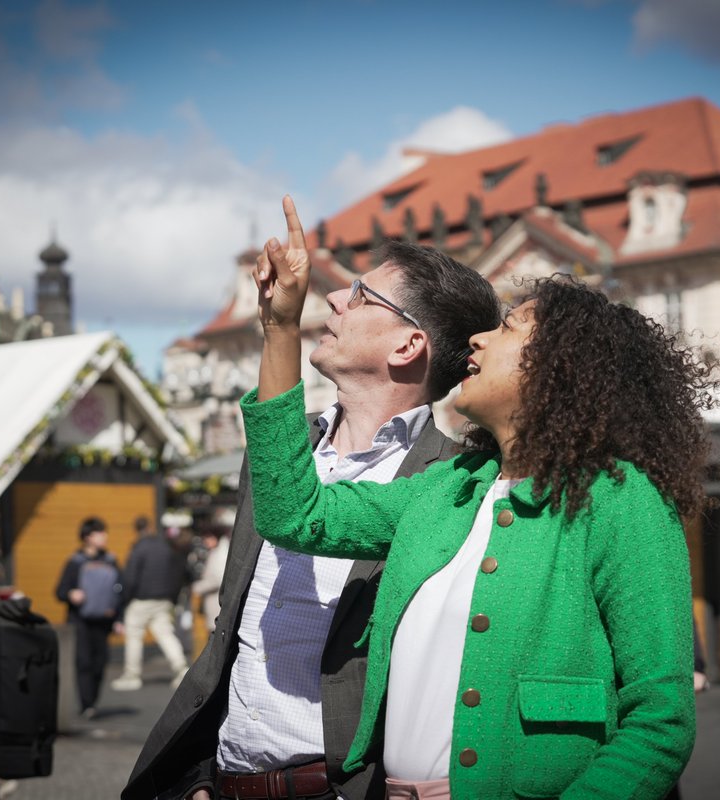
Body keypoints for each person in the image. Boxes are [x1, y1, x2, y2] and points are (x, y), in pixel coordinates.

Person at [235, 197, 720, 798]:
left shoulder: (620, 499)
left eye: (509, 327)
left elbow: (660, 722)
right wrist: (280, 328)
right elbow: (293, 512)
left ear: (560, 367)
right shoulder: (448, 488)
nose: (479, 340)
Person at [123, 196, 502, 800]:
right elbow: (232, 629)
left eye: (360, 296)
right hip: (220, 781)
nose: (332, 300)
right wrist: (197, 778)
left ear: (407, 346)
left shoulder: (456, 482)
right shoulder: (280, 448)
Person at [55, 516, 123, 720]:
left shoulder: (111, 560)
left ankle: (91, 700)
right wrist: (71, 594)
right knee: (83, 661)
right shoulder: (75, 563)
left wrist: (119, 618)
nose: (105, 536)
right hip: (80, 621)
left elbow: (120, 592)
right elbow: (60, 591)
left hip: (103, 620)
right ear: (87, 537)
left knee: (100, 662)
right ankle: (87, 704)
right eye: (99, 533)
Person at [112, 516, 190, 692]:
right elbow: (177, 572)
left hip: (141, 599)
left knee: (134, 635)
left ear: (137, 530)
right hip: (163, 599)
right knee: (165, 635)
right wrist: (172, 596)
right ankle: (181, 668)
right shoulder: (165, 547)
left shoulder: (139, 548)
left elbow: (130, 577)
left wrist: (125, 599)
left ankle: (132, 675)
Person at [190, 526, 230, 633]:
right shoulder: (219, 551)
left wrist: (198, 587)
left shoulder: (221, 554)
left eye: (207, 538)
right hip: (216, 602)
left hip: (217, 602)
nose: (205, 541)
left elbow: (217, 579)